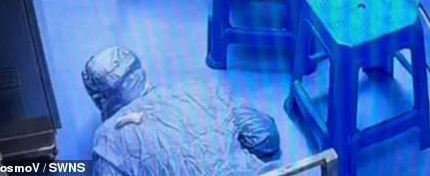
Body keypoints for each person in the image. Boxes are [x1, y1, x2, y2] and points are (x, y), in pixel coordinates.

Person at [83, 47, 281, 176]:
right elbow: (266, 137)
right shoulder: (198, 90)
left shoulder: (107, 142)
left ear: (99, 100)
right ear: (143, 72)